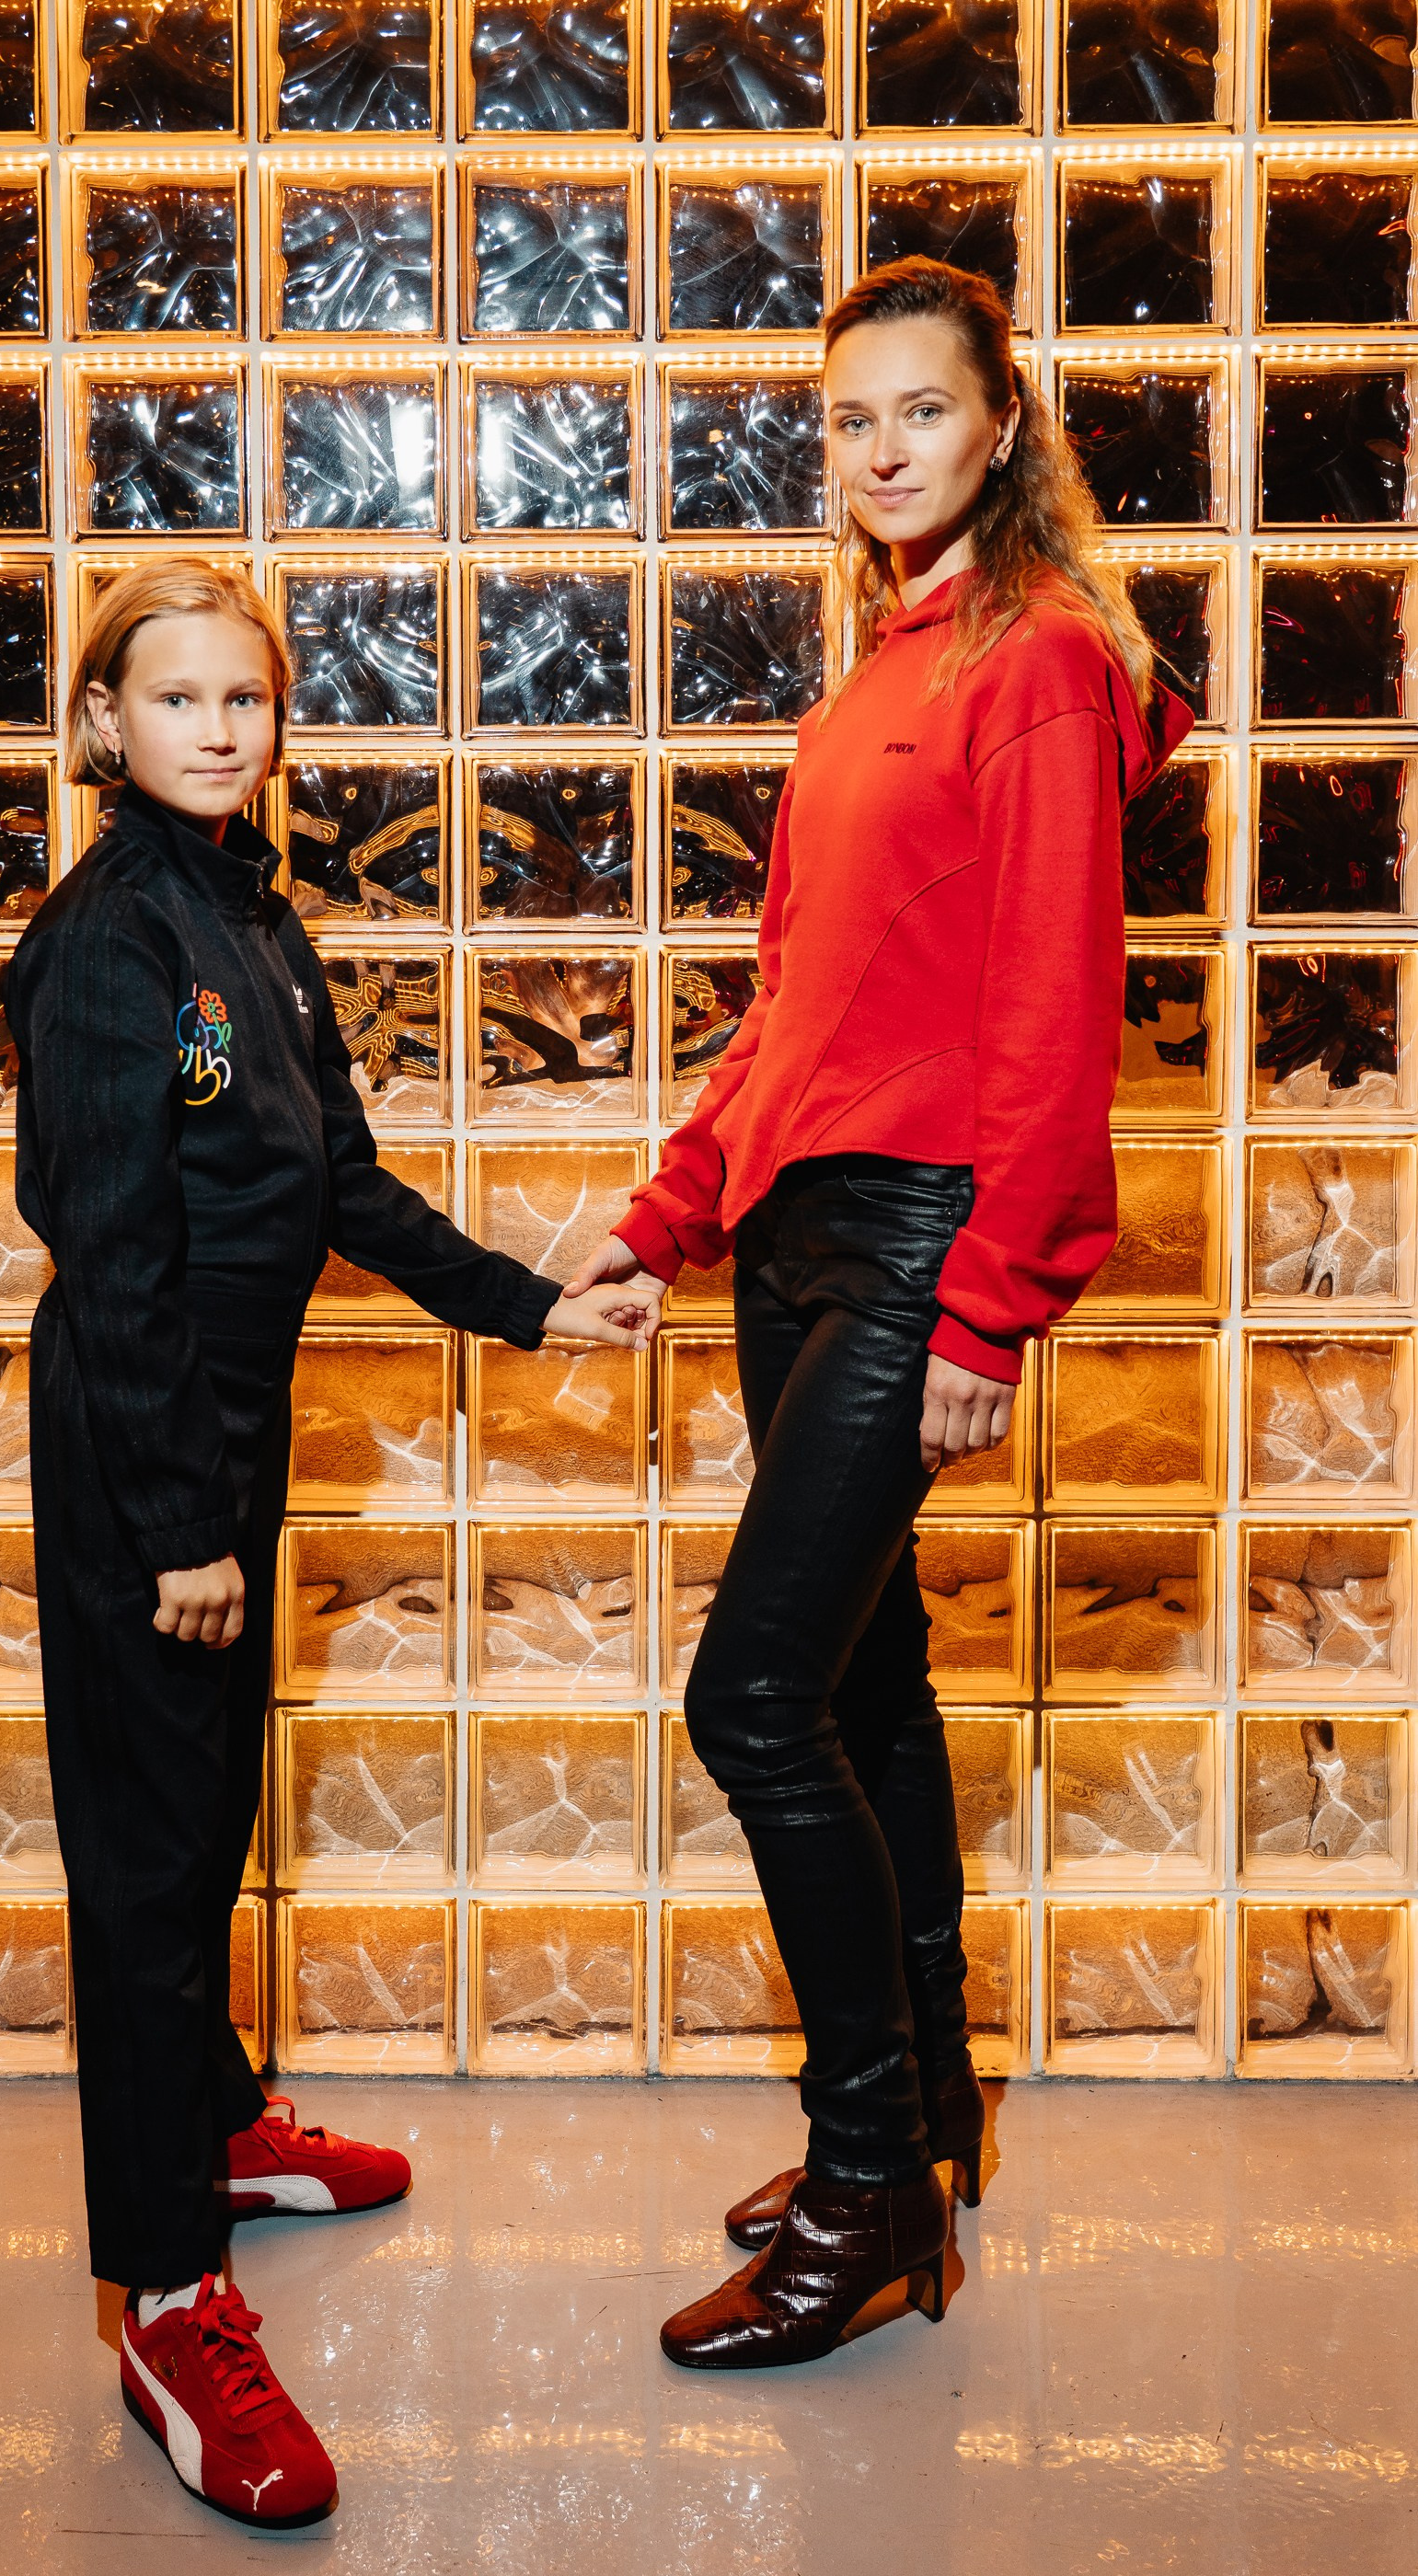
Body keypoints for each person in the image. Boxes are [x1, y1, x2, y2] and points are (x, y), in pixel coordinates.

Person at [562, 257, 1194, 2371]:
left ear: (1001, 428)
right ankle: (924, 2103)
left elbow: (1052, 1011)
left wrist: (988, 1308)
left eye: (920, 410)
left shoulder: (1038, 663)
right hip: (803, 1228)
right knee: (864, 1683)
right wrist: (666, 1212)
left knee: (749, 1698)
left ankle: (867, 2196)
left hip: (926, 1231)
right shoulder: (871, 681)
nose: (881, 449)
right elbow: (795, 1005)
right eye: (848, 420)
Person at [3, 559, 657, 2523]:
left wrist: (536, 1307)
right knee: (146, 1868)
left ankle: (218, 2126)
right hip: (143, 1438)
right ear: (102, 721)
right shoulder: (108, 939)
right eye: (175, 697)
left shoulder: (255, 918)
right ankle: (163, 2297)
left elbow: (338, 1183)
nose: (218, 729)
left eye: (246, 699)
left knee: (202, 1810)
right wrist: (179, 1521)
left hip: (230, 1419)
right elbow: (112, 1247)